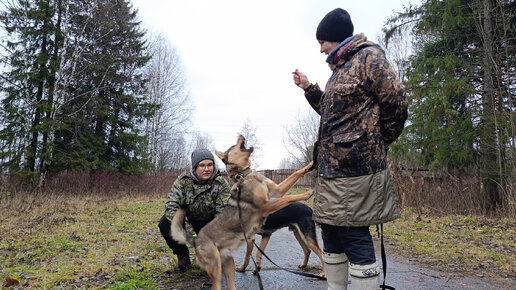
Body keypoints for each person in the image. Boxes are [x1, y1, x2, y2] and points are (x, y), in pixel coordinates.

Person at [292, 8, 408, 290]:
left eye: (322, 42)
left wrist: (378, 142)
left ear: (336, 37)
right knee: (330, 233)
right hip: (331, 172)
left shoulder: (369, 58)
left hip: (356, 171)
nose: (320, 49)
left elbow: (397, 104)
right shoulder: (340, 70)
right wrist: (309, 88)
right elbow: (334, 115)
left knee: (353, 234)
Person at [158, 148, 231, 274]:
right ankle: (182, 256)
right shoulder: (183, 182)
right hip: (189, 223)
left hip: (211, 224)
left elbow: (223, 214)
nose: (207, 169)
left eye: (210, 165)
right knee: (165, 223)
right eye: (202, 165)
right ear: (194, 168)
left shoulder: (221, 184)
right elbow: (171, 206)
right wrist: (192, 235)